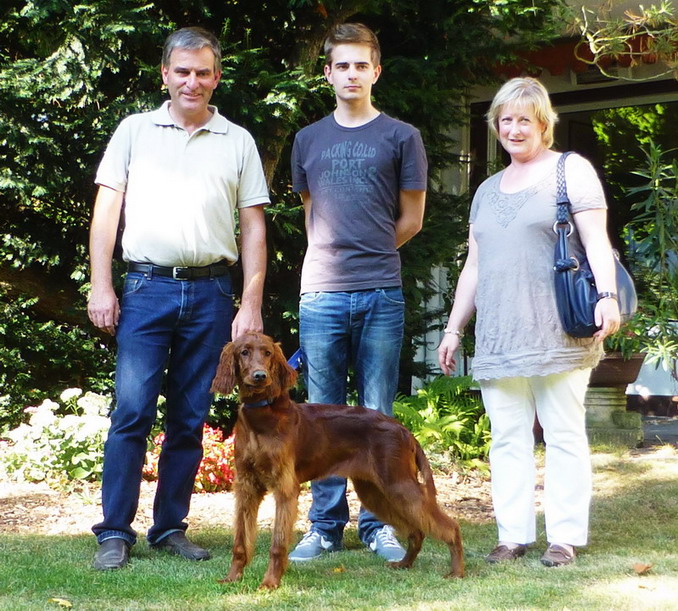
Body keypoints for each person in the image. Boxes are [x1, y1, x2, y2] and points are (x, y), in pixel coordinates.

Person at [87, 26, 269, 570]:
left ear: (217, 77)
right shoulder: (134, 131)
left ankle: (170, 528)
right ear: (165, 74)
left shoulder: (237, 140)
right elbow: (106, 212)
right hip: (146, 289)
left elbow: (253, 227)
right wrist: (101, 283)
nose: (193, 81)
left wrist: (250, 302)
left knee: (190, 418)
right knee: (131, 411)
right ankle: (114, 532)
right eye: (183, 71)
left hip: (212, 292)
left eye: (203, 72)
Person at [438, 77, 620, 567]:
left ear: (543, 123)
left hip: (558, 328)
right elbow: (475, 265)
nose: (514, 129)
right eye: (505, 120)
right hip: (500, 334)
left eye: (524, 119)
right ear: (495, 124)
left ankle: (564, 537)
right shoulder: (485, 190)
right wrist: (454, 328)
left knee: (563, 434)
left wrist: (607, 297)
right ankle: (512, 535)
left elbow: (596, 241)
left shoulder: (570, 170)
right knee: (507, 438)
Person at [289, 23, 427, 563]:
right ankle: (324, 526)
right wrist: (335, 259)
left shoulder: (401, 136)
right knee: (319, 418)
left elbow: (412, 218)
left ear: (376, 72)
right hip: (321, 292)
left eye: (361, 65)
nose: (351, 74)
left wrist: (369, 251)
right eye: (342, 65)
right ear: (327, 73)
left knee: (376, 413)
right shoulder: (307, 139)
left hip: (381, 292)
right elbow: (311, 216)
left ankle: (379, 524)